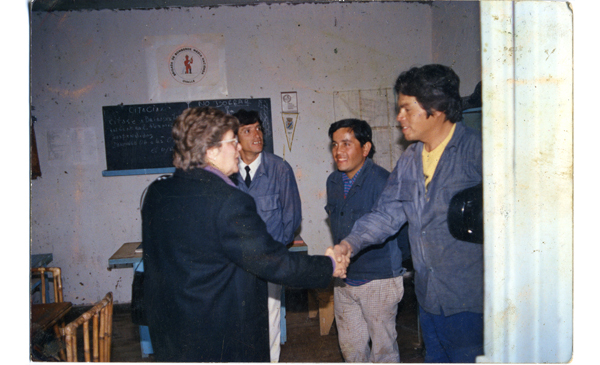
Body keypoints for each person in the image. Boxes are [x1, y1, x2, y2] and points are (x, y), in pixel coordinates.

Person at [141, 107, 348, 362]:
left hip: (172, 336)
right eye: (233, 142)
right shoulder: (229, 201)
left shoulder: (157, 194)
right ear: (212, 150)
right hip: (220, 338)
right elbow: (273, 262)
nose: (239, 149)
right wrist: (328, 265)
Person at [332, 64, 483, 363]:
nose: (399, 117)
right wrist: (349, 244)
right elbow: (386, 214)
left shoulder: (477, 152)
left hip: (471, 302)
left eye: (406, 109)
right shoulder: (411, 159)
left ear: (436, 109)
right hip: (429, 298)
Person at [326, 118, 409, 362]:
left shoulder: (385, 182)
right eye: (334, 144)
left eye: (346, 144)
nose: (338, 151)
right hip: (345, 281)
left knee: (383, 352)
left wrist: (394, 267)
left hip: (379, 281)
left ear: (366, 148)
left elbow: (401, 235)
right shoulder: (333, 182)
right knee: (351, 349)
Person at [232, 109, 302, 362]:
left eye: (259, 128)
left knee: (270, 317)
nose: (257, 135)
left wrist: (274, 252)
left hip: (269, 260)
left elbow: (291, 218)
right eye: (248, 130)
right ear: (235, 140)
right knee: (238, 319)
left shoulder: (280, 169)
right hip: (235, 263)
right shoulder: (226, 172)